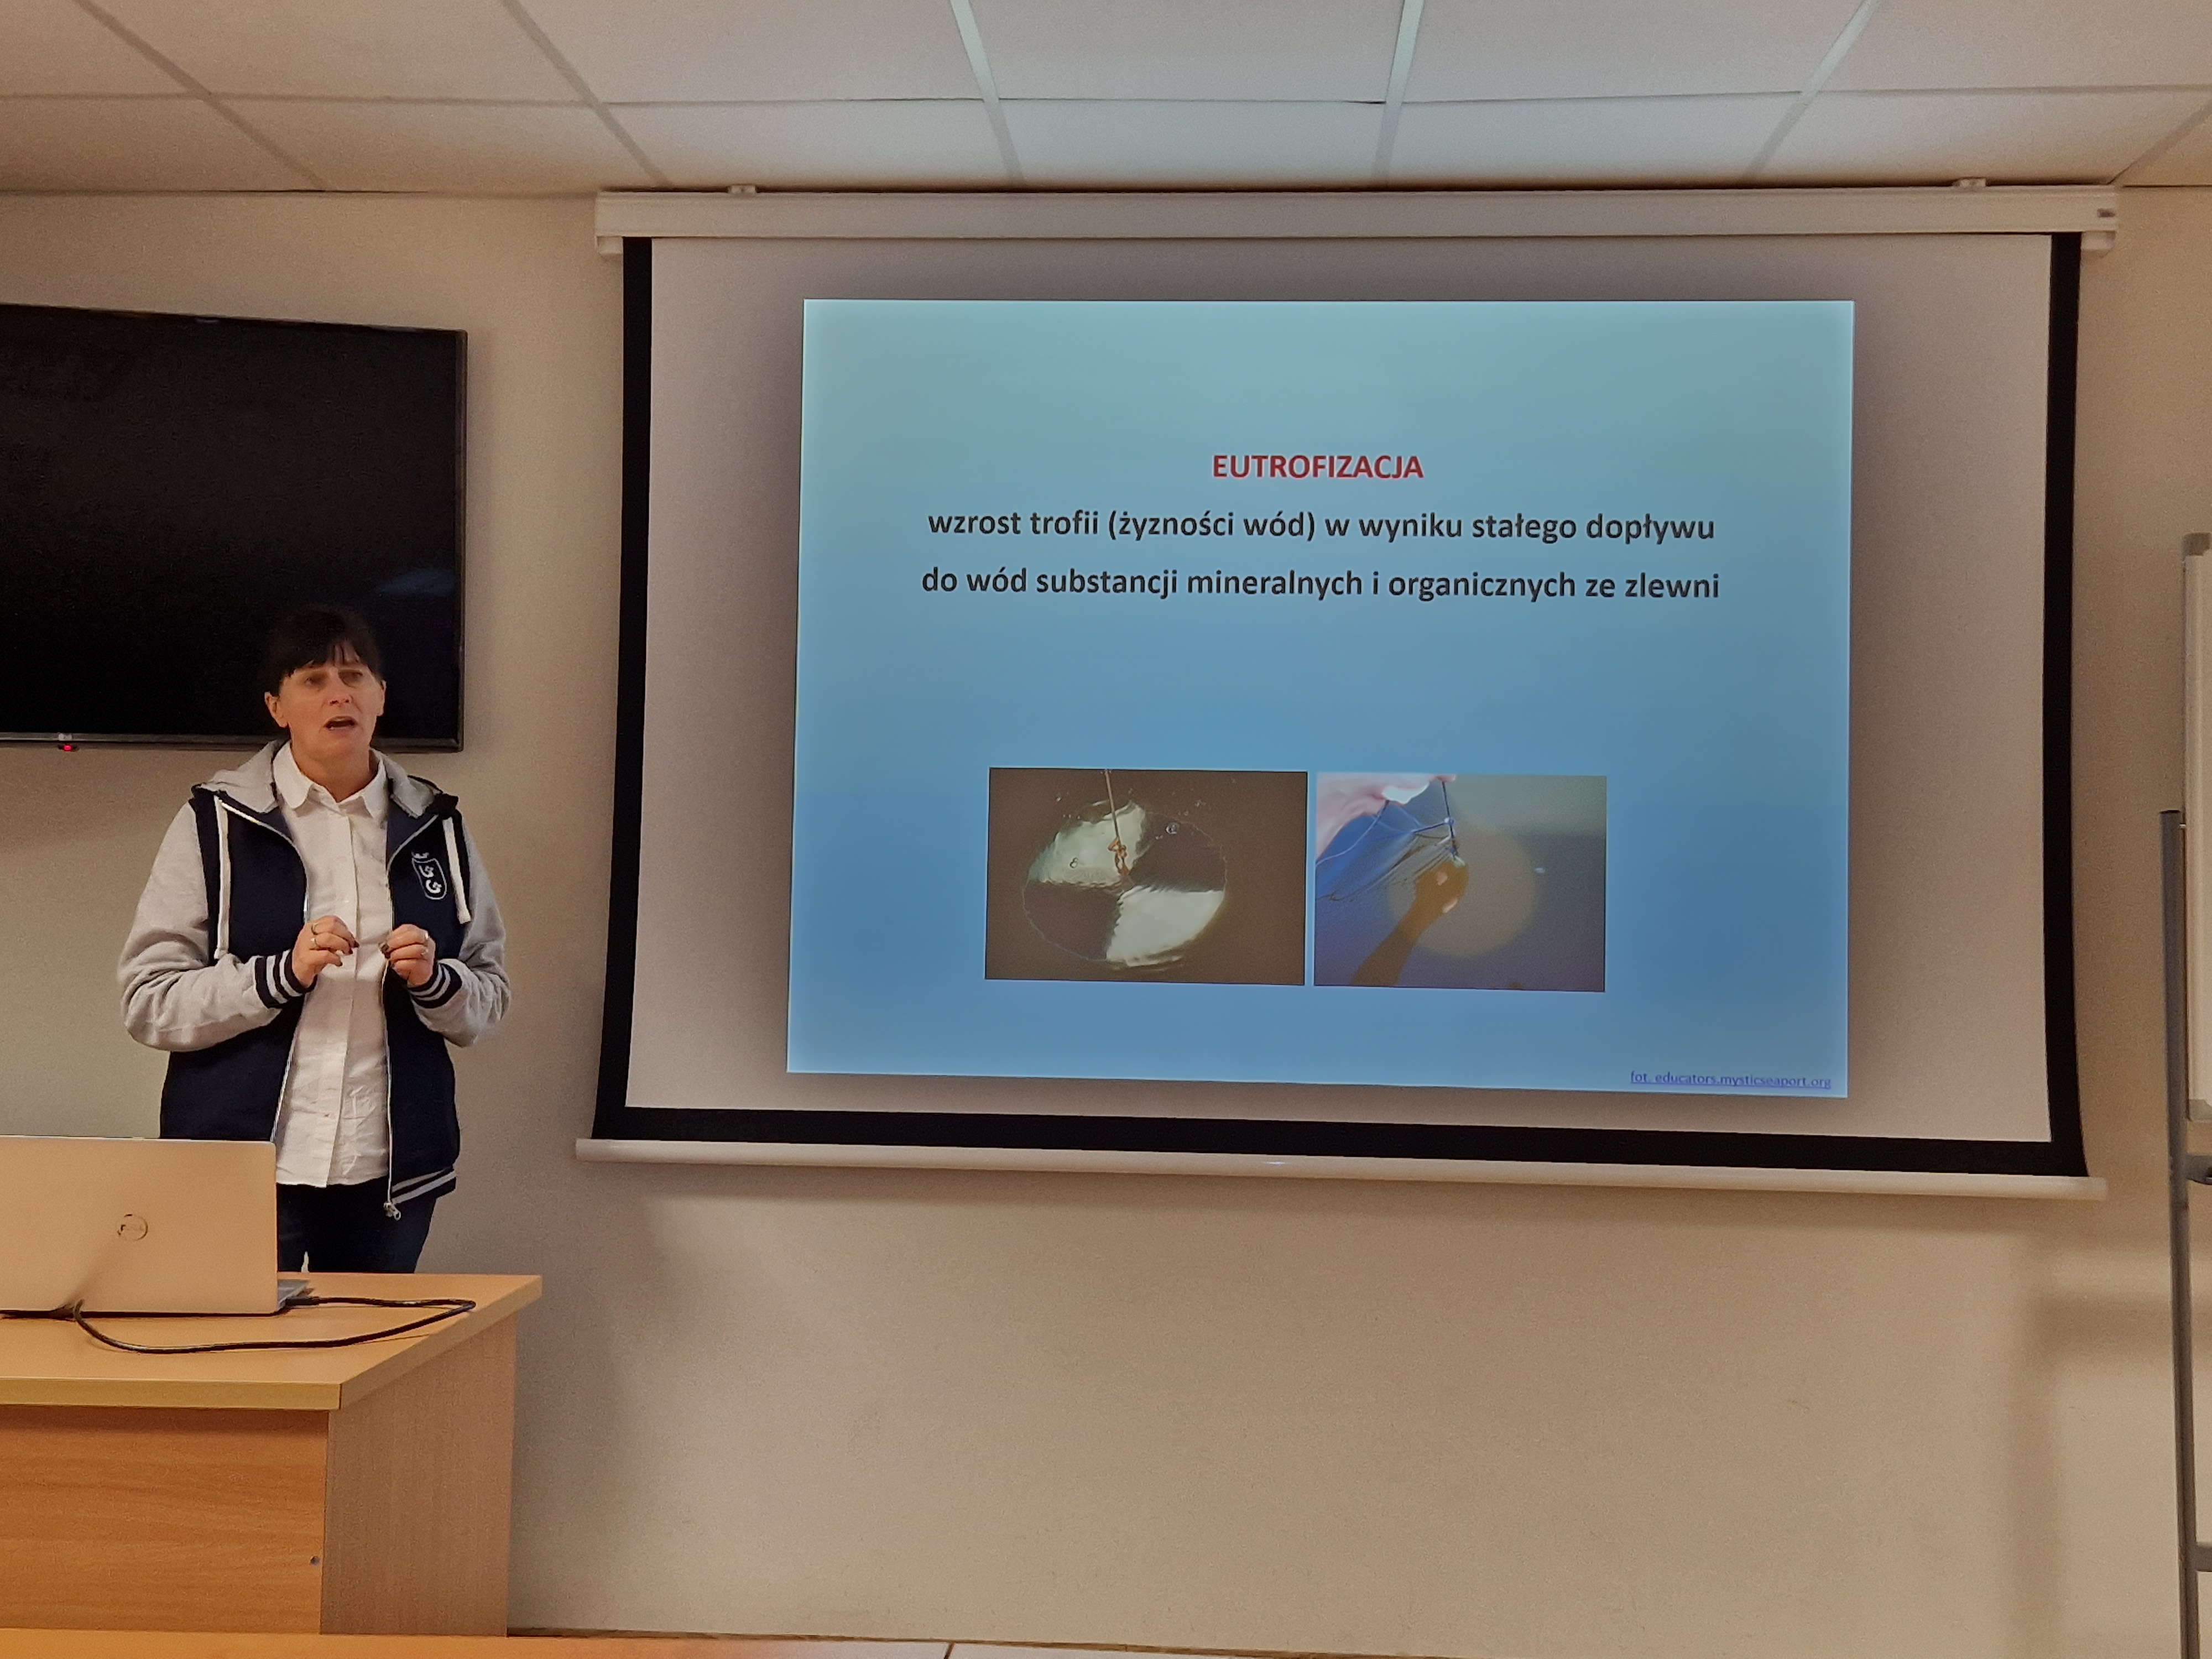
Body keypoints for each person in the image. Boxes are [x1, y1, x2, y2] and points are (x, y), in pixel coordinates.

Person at [119, 608, 508, 1272]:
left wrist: (436, 981)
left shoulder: (437, 826)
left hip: (387, 1173)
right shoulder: (214, 822)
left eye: (355, 677)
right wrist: (279, 975)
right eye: (313, 679)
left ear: (381, 697)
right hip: (239, 1169)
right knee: (232, 1342)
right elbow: (148, 1001)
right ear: (277, 706)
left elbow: (490, 1000)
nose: (339, 695)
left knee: (372, 1342)